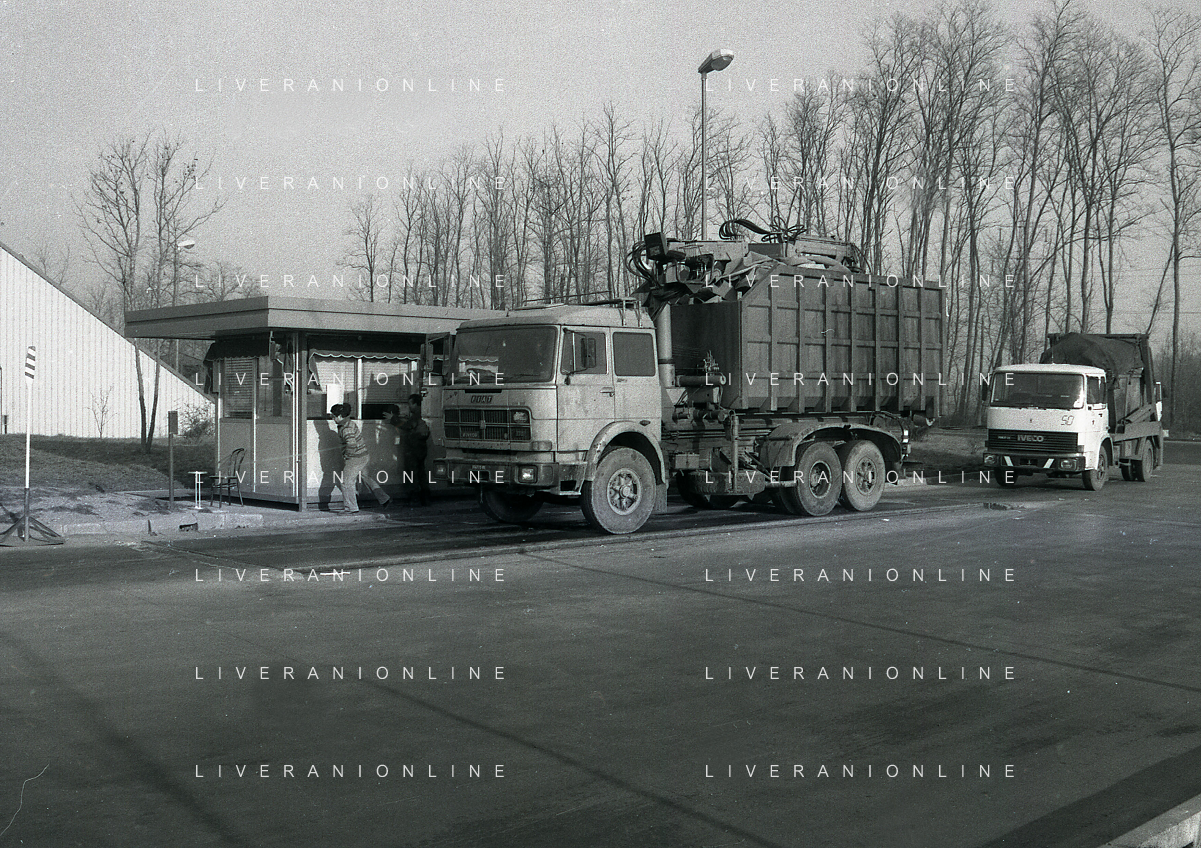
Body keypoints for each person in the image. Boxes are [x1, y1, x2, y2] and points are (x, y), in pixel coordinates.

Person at [331, 403, 390, 513]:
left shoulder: (346, 428)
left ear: (339, 416)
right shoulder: (349, 423)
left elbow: (351, 444)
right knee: (366, 477)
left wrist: (347, 456)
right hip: (363, 455)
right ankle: (384, 498)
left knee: (346, 482)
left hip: (355, 458)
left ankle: (351, 508)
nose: (332, 419)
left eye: (333, 416)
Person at [398, 394, 432, 506]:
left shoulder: (415, 416)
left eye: (410, 404)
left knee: (412, 474)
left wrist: (393, 419)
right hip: (421, 449)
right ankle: (425, 499)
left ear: (416, 404)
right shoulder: (423, 414)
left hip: (413, 449)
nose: (409, 407)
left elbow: (407, 426)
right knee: (421, 474)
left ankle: (415, 499)